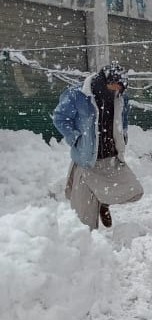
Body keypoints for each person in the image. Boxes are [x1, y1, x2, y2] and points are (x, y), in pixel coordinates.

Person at [52, 63, 144, 230]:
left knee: (134, 191)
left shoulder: (121, 98)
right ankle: (90, 252)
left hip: (111, 158)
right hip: (88, 160)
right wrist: (76, 138)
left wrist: (122, 137)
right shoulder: (78, 95)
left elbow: (123, 121)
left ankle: (103, 201)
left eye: (121, 86)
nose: (118, 89)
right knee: (83, 222)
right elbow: (60, 118)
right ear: (104, 81)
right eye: (116, 84)